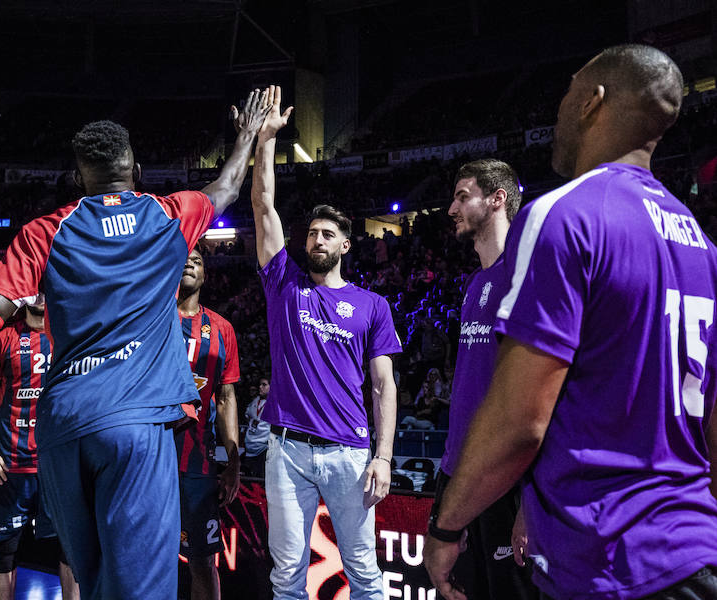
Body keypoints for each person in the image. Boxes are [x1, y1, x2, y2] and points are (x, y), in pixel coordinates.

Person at [0, 88, 273, 599]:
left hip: (60, 433)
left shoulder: (44, 232)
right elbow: (230, 183)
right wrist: (249, 137)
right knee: (138, 589)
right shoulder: (170, 213)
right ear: (137, 170)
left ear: (79, 179)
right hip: (134, 426)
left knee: (93, 579)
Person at [424, 44, 717, 600]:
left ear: (592, 102)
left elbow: (520, 422)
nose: (556, 111)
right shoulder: (703, 246)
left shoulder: (564, 213)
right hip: (695, 555)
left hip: (607, 559)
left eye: (566, 93)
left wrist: (446, 527)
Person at [251, 85, 401, 600]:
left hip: (351, 455)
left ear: (344, 244)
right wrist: (267, 141)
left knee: (364, 572)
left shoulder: (372, 306)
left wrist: (383, 456)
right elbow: (263, 204)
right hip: (287, 450)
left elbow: (383, 387)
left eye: (326, 234)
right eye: (310, 233)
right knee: (286, 575)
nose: (315, 240)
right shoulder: (283, 283)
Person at [423, 159, 537, 599]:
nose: (451, 207)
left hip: (505, 481)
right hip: (460, 473)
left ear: (497, 199)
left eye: (462, 195)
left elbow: (539, 399)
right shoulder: (475, 284)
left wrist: (529, 504)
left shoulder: (526, 273)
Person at [0, 303, 79, 600]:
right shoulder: (3, 338)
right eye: (36, 285)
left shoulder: (71, 334)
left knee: (70, 552)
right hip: (11, 465)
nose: (42, 293)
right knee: (6, 552)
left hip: (58, 466)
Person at [174, 247, 241, 600]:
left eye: (197, 261)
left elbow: (227, 398)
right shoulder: (149, 318)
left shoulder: (222, 329)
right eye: (183, 258)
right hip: (146, 459)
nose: (189, 264)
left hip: (196, 465)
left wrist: (233, 463)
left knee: (203, 562)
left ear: (205, 275)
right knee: (145, 559)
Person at [242, 377, 271, 477]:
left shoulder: (275, 404)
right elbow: (247, 417)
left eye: (264, 384)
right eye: (260, 384)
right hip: (250, 444)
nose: (260, 387)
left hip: (264, 447)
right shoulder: (254, 401)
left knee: (260, 479)